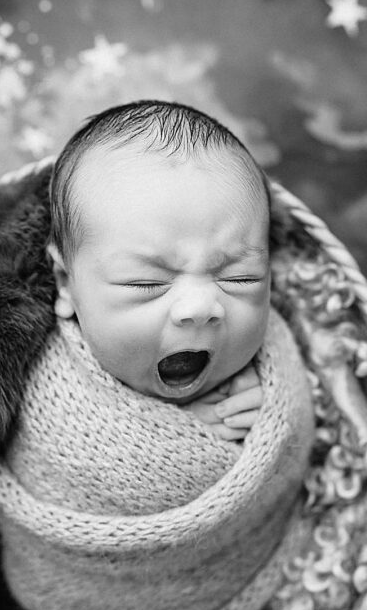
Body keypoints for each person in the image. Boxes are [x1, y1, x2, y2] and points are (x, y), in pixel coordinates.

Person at [44, 100, 273, 441]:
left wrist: (271, 406)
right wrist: (169, 436)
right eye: (145, 282)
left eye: (241, 278)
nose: (199, 307)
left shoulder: (269, 363)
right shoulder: (43, 381)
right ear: (65, 283)